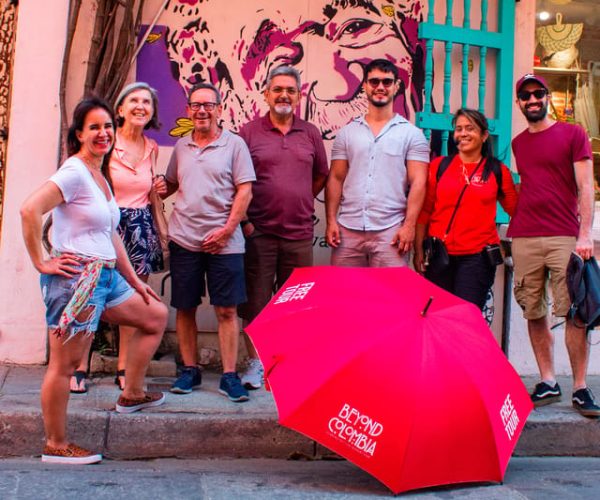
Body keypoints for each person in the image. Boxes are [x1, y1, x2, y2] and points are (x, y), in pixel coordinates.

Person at [20, 97, 168, 464]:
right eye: (94, 127)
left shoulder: (99, 174)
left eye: (107, 127)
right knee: (64, 366)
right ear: (79, 134)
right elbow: (30, 209)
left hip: (106, 275)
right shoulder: (73, 172)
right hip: (77, 281)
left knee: (154, 316)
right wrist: (42, 261)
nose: (103, 133)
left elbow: (110, 232)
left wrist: (134, 280)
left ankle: (131, 393)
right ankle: (55, 443)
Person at [159, 0, 426, 136]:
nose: (336, 83)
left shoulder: (410, 140)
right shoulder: (247, 140)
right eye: (281, 57)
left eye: (355, 27)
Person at [509, 74, 599, 417]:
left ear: (547, 97)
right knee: (533, 310)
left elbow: (586, 187)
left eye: (537, 93)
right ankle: (548, 380)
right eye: (525, 96)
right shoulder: (519, 144)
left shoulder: (573, 133)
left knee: (575, 313)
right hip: (525, 235)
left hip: (564, 235)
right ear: (519, 103)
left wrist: (585, 234)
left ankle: (579, 387)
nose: (532, 100)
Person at [237, 65, 329, 390]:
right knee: (256, 305)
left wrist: (300, 197)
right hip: (258, 233)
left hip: (299, 234)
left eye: (290, 90)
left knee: (296, 306)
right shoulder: (249, 133)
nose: (284, 95)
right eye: (278, 89)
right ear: (266, 93)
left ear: (299, 95)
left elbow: (320, 175)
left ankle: (287, 367)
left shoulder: (311, 133)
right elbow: (236, 180)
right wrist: (245, 221)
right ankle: (254, 366)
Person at [163, 83, 256, 402]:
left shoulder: (235, 146)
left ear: (220, 109)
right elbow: (173, 183)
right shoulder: (181, 147)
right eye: (195, 105)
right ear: (188, 110)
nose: (202, 110)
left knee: (227, 310)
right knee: (184, 307)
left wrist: (228, 230)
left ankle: (229, 375)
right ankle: (190, 370)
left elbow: (245, 191)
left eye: (208, 105)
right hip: (184, 239)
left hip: (226, 242)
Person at [70, 82, 165, 393]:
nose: (140, 106)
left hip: (140, 229)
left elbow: (152, 192)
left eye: (147, 102)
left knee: (134, 300)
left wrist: (161, 215)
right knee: (89, 295)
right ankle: (79, 366)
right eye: (133, 101)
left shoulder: (152, 148)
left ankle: (124, 366)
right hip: (105, 224)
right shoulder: (106, 142)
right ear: (120, 110)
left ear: (152, 112)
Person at [325, 58, 429, 266]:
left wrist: (409, 226)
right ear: (364, 85)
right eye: (374, 82)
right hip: (347, 230)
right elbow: (336, 178)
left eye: (387, 82)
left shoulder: (412, 134)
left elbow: (419, 182)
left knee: (390, 297)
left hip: (390, 232)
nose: (380, 87)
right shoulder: (347, 132)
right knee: (344, 296)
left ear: (397, 86)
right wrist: (330, 221)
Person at [414, 108, 518, 310]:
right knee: (438, 316)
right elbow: (425, 211)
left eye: (470, 128)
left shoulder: (497, 171)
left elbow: (517, 211)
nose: (463, 134)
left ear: (484, 135)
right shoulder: (439, 166)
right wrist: (419, 250)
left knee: (465, 318)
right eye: (459, 129)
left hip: (477, 259)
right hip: (439, 256)